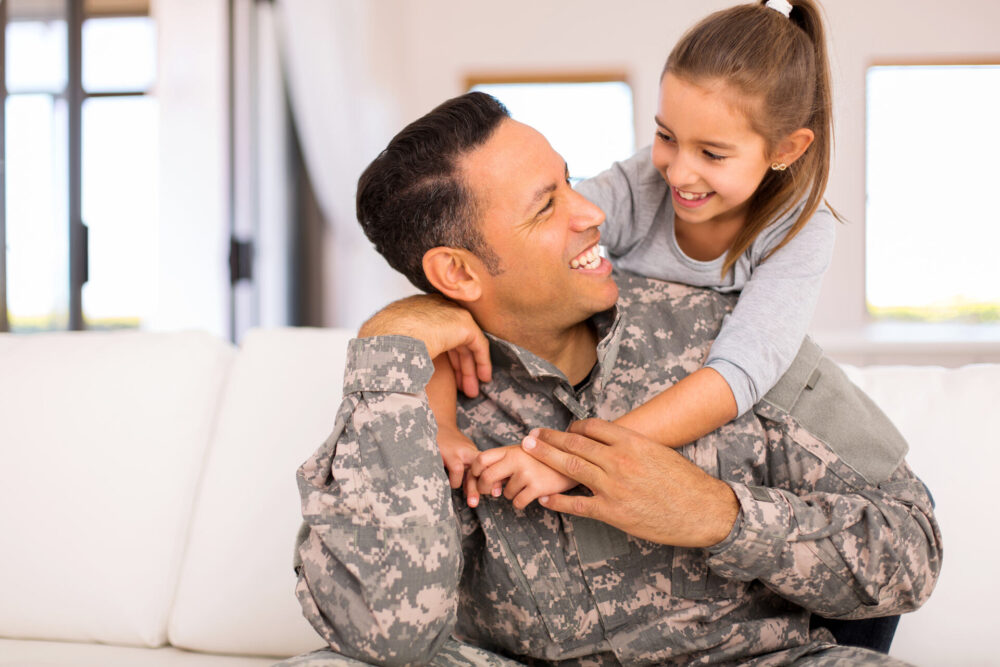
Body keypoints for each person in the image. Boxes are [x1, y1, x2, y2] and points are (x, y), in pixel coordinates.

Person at [282, 91, 941, 666]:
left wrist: (716, 515)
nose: (592, 213)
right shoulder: (406, 394)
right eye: (547, 207)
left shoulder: (733, 338)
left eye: (571, 181)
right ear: (456, 272)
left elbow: (911, 549)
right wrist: (387, 348)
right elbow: (387, 636)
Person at [430, 0, 841, 512]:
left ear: (787, 149)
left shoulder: (801, 230)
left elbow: (738, 375)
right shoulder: (643, 179)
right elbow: (512, 263)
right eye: (666, 136)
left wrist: (566, 460)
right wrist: (441, 424)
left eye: (712, 154)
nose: (678, 172)